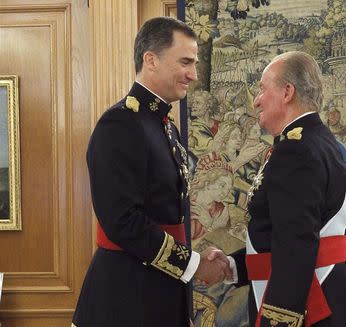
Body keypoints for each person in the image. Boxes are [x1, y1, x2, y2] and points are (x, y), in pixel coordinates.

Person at [72, 17, 231, 327]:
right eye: (185, 62)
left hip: (163, 290)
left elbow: (166, 215)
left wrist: (194, 256)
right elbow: (122, 221)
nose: (193, 74)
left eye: (195, 63)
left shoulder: (165, 126)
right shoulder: (119, 124)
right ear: (151, 60)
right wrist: (193, 263)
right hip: (126, 297)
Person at [227, 51, 346, 326]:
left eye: (262, 89)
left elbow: (295, 242)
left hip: (311, 305)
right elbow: (289, 236)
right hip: (332, 291)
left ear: (287, 92)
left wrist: (277, 320)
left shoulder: (295, 151)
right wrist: (233, 267)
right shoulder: (325, 143)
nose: (256, 100)